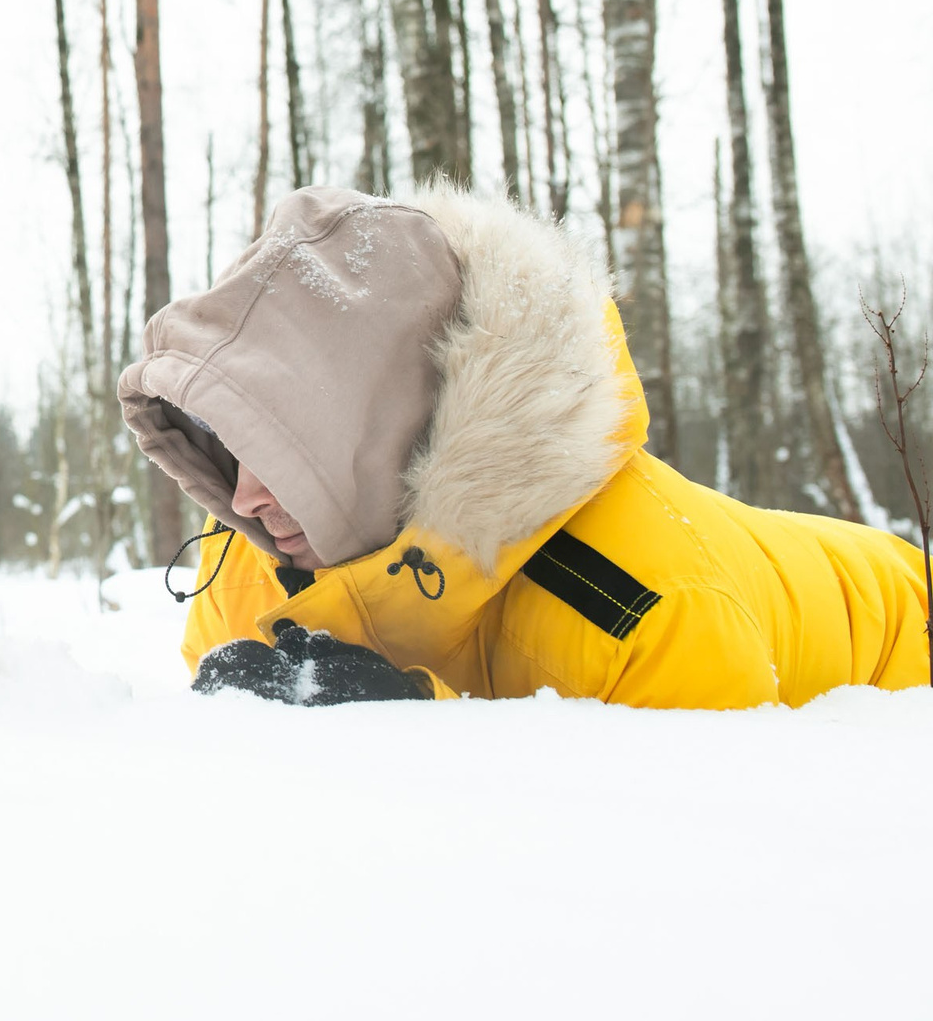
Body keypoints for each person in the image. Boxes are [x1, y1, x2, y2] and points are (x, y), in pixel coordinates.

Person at [119, 184, 930, 708]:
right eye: (235, 448)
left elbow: (704, 861)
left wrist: (414, 727)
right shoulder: (241, 567)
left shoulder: (641, 605)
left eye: (288, 450)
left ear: (387, 430)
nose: (246, 498)